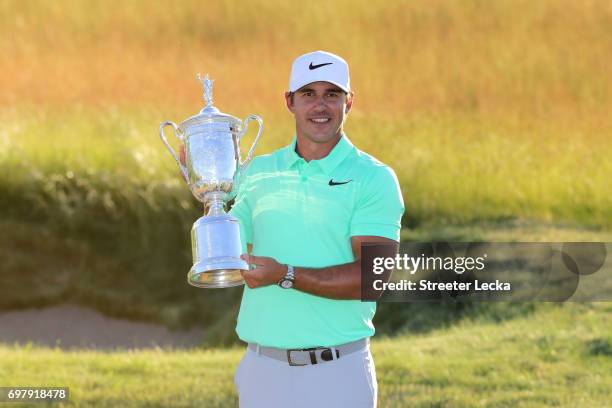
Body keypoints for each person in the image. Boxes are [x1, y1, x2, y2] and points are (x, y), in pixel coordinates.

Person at [230, 50, 404, 408]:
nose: (320, 106)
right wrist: (208, 184)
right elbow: (230, 240)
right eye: (308, 94)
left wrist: (286, 274)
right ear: (289, 101)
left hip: (337, 374)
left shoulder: (374, 178)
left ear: (349, 102)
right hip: (263, 371)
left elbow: (374, 277)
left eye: (332, 94)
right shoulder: (256, 171)